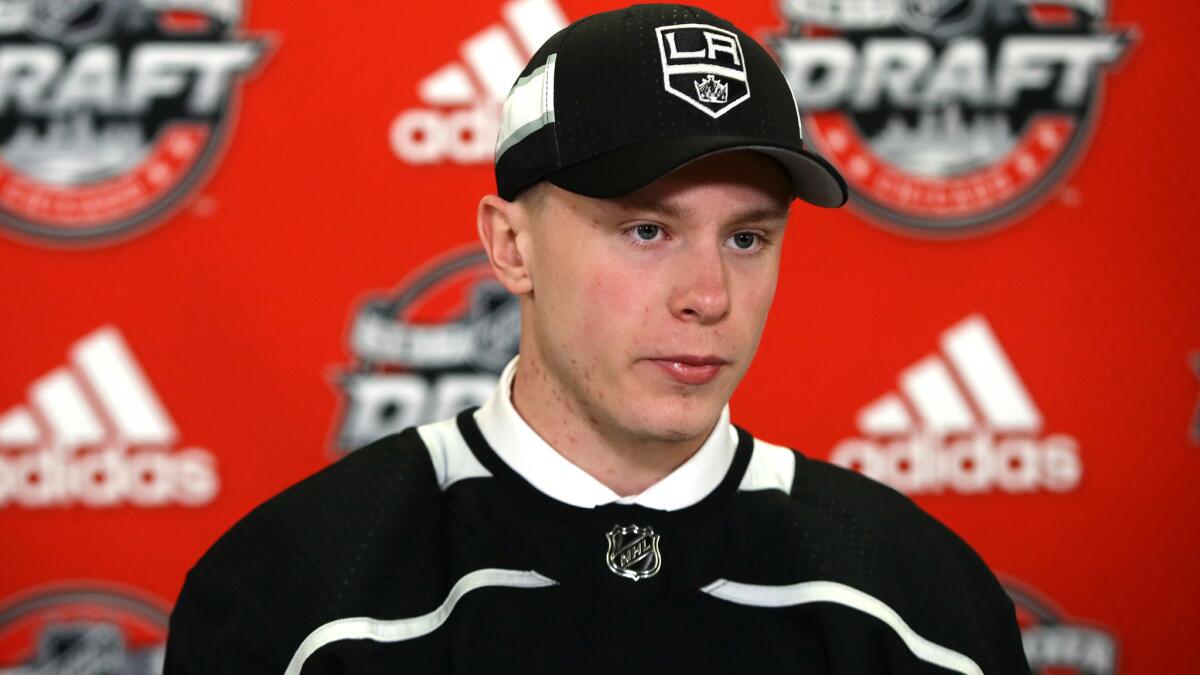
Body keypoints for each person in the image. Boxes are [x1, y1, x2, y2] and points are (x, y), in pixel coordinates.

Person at [165, 4, 1031, 673]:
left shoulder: (915, 596)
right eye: (646, 231)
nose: (708, 296)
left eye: (747, 238)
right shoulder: (297, 592)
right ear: (511, 246)